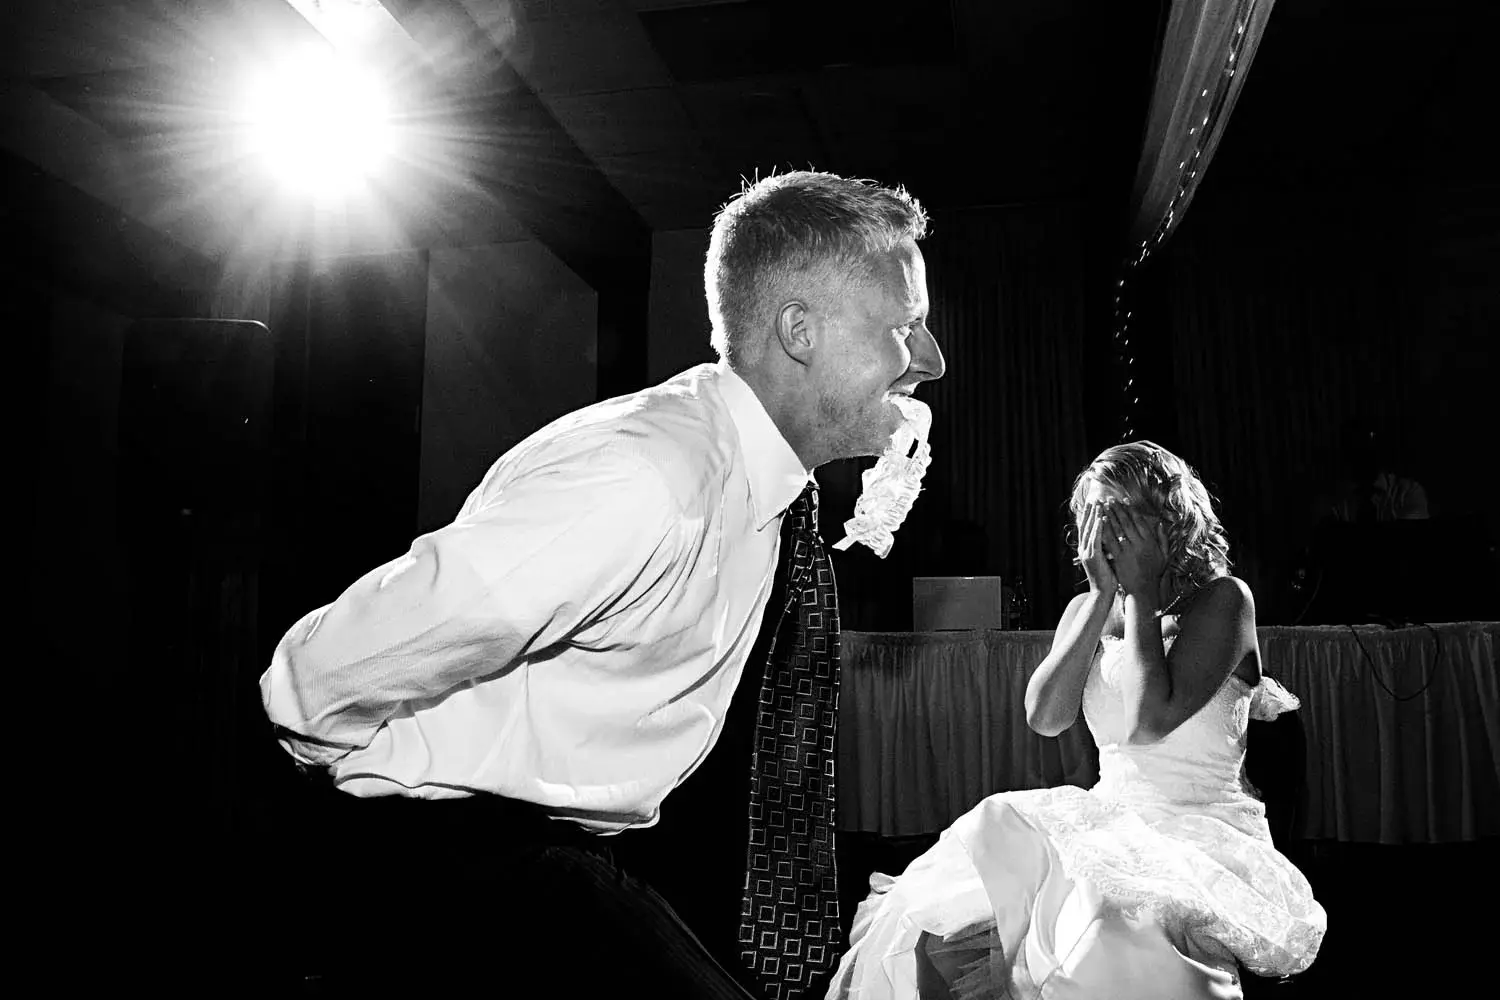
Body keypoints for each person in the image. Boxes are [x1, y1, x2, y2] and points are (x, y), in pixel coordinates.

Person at [259, 170, 945, 998]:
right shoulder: (647, 478)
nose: (930, 361)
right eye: (904, 327)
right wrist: (370, 836)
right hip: (469, 867)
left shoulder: (762, 486)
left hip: (588, 853)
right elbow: (319, 676)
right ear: (799, 330)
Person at [826, 441, 1326, 1000]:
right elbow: (1045, 716)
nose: (1107, 532)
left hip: (1200, 829)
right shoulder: (1091, 608)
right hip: (1113, 818)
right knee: (976, 861)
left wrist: (1140, 594)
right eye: (1096, 516)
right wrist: (1099, 598)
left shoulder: (1224, 600)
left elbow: (1149, 722)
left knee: (1103, 916)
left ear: (1168, 518)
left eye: (1123, 515)